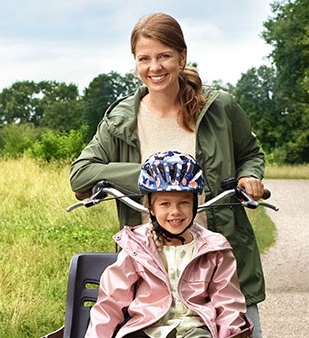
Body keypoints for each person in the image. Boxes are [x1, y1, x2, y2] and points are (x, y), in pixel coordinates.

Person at [69, 13, 267, 337]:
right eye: (144, 58)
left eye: (164, 56)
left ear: (182, 57)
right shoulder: (121, 119)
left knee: (240, 329)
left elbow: (250, 154)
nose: (154, 67)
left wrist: (249, 177)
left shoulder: (220, 109)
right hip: (150, 272)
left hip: (216, 262)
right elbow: (81, 175)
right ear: (135, 63)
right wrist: (153, 175)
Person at [87, 151, 251, 338]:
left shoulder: (214, 248)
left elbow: (228, 304)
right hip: (147, 330)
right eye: (165, 204)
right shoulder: (137, 247)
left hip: (195, 331)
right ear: (151, 208)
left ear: (195, 205)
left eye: (183, 203)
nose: (175, 211)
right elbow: (111, 302)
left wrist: (230, 334)